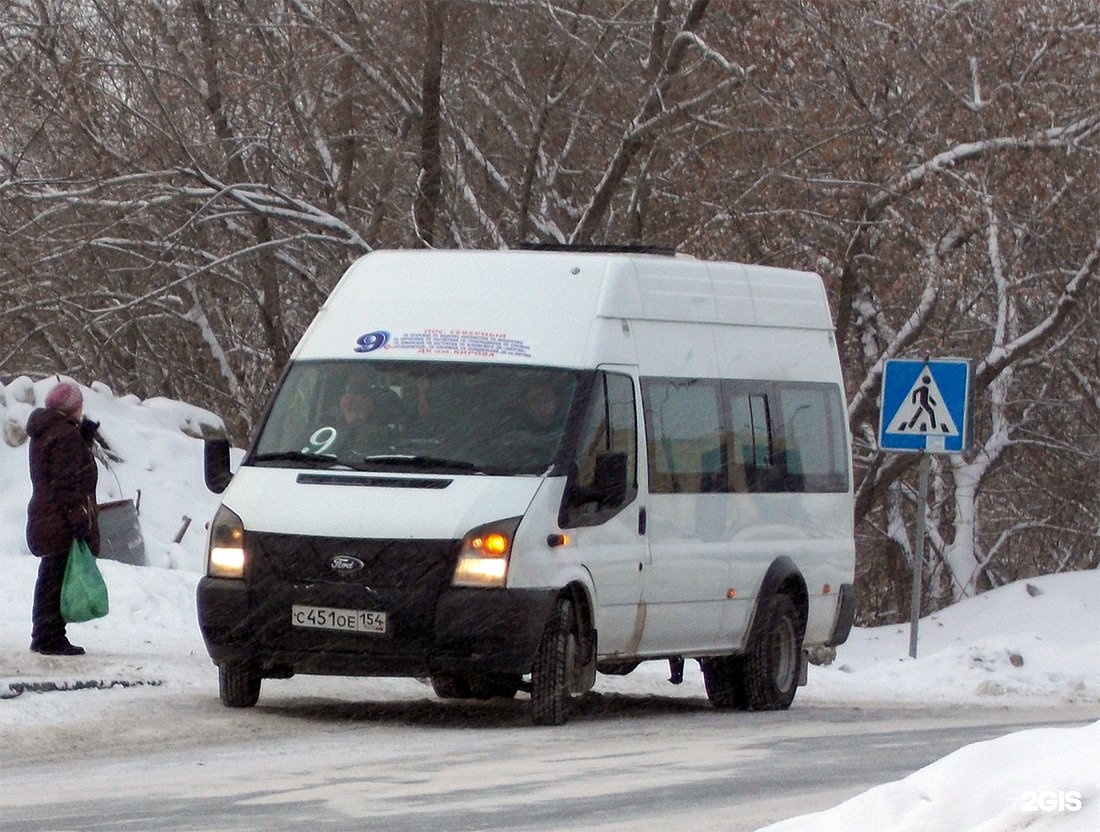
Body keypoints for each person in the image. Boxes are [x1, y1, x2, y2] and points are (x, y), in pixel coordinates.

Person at [25, 380, 101, 656]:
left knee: (51, 574)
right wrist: (78, 517)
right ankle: (49, 636)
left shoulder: (47, 431)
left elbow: (63, 468)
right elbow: (67, 481)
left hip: (46, 515)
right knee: (55, 577)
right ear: (74, 408)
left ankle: (45, 633)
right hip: (59, 517)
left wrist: (84, 439)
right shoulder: (64, 436)